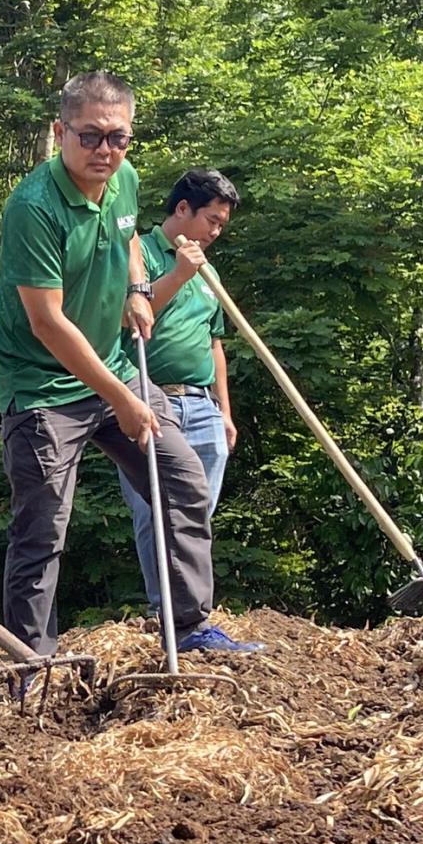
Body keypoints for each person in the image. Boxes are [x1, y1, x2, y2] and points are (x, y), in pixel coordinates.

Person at [0, 71, 260, 658]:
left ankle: (187, 627)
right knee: (43, 528)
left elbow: (131, 238)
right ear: (60, 132)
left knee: (183, 482)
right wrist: (122, 397)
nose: (105, 151)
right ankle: (33, 659)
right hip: (41, 387)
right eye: (90, 137)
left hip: (113, 366)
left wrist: (138, 287)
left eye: (118, 138)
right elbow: (47, 323)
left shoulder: (124, 180)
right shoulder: (33, 208)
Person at [117, 168, 255, 635]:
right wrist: (179, 272)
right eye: (211, 221)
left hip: (203, 405)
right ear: (182, 210)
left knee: (195, 512)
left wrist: (226, 411)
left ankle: (189, 608)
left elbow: (214, 342)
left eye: (221, 225)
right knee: (155, 505)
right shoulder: (139, 251)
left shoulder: (209, 271)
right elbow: (131, 316)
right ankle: (167, 613)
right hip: (151, 395)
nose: (215, 232)